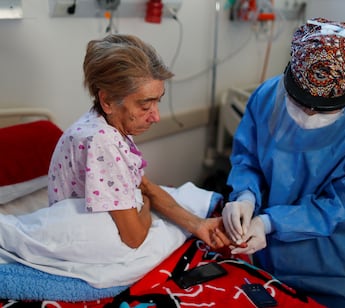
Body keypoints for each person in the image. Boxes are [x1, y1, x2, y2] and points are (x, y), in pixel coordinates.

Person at [221, 15, 345, 308]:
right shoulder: (268, 95)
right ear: (290, 76)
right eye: (299, 101)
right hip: (264, 255)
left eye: (322, 108)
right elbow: (248, 157)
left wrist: (271, 222)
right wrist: (245, 195)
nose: (309, 114)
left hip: (336, 269)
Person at [47, 34, 231, 251]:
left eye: (157, 101)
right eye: (145, 106)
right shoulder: (101, 142)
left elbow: (144, 185)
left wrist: (198, 224)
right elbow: (134, 238)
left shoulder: (109, 121)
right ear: (107, 101)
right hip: (86, 239)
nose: (156, 116)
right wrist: (146, 202)